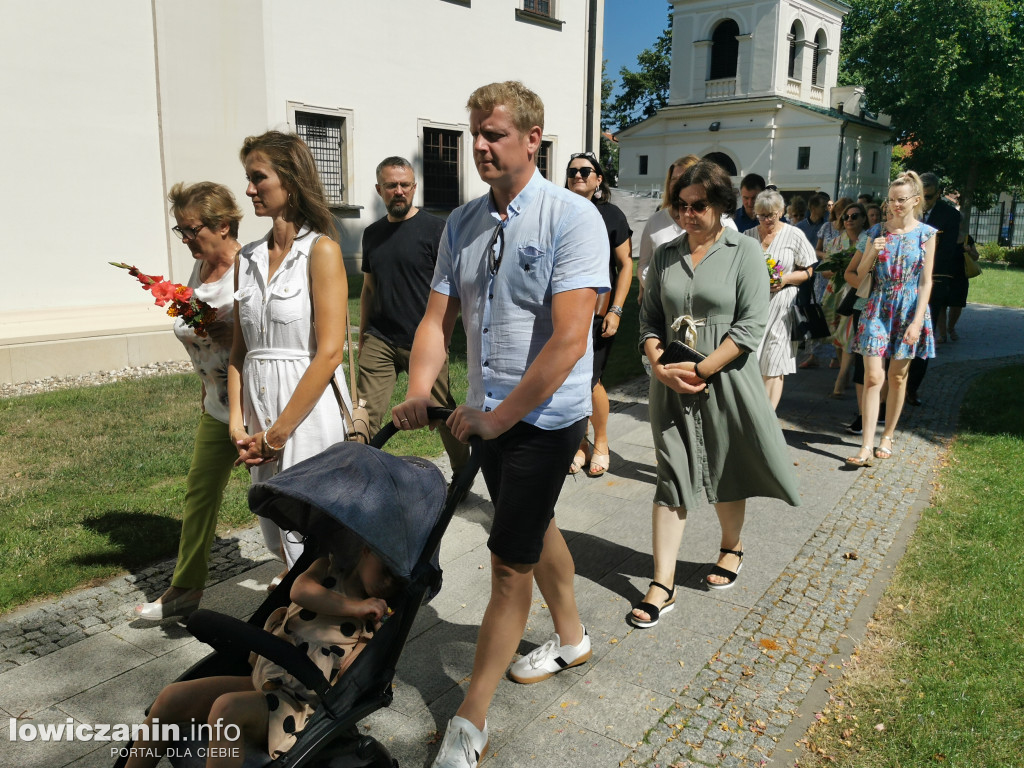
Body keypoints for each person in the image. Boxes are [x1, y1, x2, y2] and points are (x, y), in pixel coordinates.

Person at [390, 81, 609, 768]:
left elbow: (570, 339)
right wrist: (421, 388)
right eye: (474, 134)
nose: (479, 146)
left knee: (507, 563)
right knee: (531, 522)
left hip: (545, 419)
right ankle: (571, 638)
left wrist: (496, 419)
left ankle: (470, 719)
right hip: (485, 415)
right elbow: (435, 320)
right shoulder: (462, 222)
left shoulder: (574, 218)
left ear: (532, 139)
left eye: (494, 134)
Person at [631, 159, 800, 628]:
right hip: (670, 387)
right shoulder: (665, 254)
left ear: (722, 204)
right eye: (681, 206)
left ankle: (731, 546)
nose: (688, 214)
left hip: (725, 381)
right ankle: (662, 583)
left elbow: (750, 326)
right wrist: (661, 367)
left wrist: (701, 368)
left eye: (698, 206)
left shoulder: (744, 250)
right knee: (671, 476)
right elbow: (647, 320)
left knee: (726, 467)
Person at [123, 540, 396, 768]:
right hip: (265, 680)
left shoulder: (371, 626)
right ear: (367, 549)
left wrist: (374, 635)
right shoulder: (326, 567)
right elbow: (300, 591)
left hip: (296, 706)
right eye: (386, 569)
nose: (389, 583)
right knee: (172, 696)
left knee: (227, 709)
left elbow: (348, 686)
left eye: (397, 581)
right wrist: (354, 607)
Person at [228, 131, 351, 573]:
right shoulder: (248, 256)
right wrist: (237, 422)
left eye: (258, 177)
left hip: (307, 412)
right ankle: (297, 622)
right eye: (248, 178)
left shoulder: (321, 251)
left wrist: (278, 434)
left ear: (291, 180)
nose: (248, 190)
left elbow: (330, 353)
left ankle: (319, 628)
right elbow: (240, 350)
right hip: (259, 414)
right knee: (273, 527)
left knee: (313, 536)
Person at [135, 183, 243, 621]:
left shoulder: (250, 267)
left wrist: (236, 335)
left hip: (257, 408)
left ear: (223, 225)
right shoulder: (200, 270)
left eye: (191, 230)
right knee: (199, 495)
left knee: (278, 503)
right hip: (217, 407)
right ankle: (185, 590)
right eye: (179, 230)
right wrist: (205, 388)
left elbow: (282, 337)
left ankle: (307, 585)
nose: (185, 240)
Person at [356, 156, 468, 476]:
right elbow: (368, 290)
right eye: (391, 185)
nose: (399, 191)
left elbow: (453, 288)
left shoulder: (437, 230)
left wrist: (444, 336)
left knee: (441, 411)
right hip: (380, 338)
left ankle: (463, 472)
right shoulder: (372, 234)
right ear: (380, 190)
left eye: (405, 185)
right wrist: (364, 337)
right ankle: (358, 478)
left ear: (414, 187)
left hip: (424, 340)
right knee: (363, 414)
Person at [846, 171, 936, 467]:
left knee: (897, 377)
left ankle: (887, 436)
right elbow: (858, 276)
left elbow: (926, 282)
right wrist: (873, 252)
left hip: (909, 308)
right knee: (873, 376)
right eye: (892, 199)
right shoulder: (875, 233)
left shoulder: (926, 234)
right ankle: (866, 445)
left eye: (902, 200)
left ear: (916, 200)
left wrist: (917, 321)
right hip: (877, 305)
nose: (896, 205)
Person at [564, 150, 632, 477]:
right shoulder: (559, 213)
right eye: (573, 171)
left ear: (598, 179)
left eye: (585, 171)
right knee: (566, 381)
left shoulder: (612, 215)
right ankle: (580, 443)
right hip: (562, 313)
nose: (578, 175)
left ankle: (601, 441)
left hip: (598, 312)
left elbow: (626, 265)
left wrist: (616, 310)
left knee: (590, 382)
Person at [742, 188, 816, 409]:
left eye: (772, 214)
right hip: (753, 308)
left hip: (783, 308)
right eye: (762, 215)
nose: (767, 220)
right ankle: (752, 412)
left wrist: (785, 279)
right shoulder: (748, 237)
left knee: (774, 363)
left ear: (781, 211)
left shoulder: (794, 235)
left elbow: (808, 270)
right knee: (751, 361)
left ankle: (767, 418)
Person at [904, 173, 962, 405]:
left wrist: (934, 282)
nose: (923, 201)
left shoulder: (949, 215)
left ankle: (912, 388)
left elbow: (946, 253)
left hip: (933, 281)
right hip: (903, 282)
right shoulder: (909, 209)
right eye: (920, 196)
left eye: (927, 196)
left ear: (938, 193)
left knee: (920, 336)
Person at [820, 201, 868, 398]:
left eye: (854, 216)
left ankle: (840, 379)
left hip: (857, 294)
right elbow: (824, 272)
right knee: (837, 337)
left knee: (849, 335)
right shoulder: (835, 243)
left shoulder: (869, 242)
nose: (849, 220)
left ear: (863, 219)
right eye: (846, 217)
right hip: (836, 293)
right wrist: (841, 268)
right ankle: (844, 369)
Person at [637, 155, 699, 297]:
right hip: (661, 306)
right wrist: (653, 287)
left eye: (683, 179)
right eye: (674, 179)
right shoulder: (655, 222)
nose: (677, 184)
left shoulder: (721, 222)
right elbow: (643, 265)